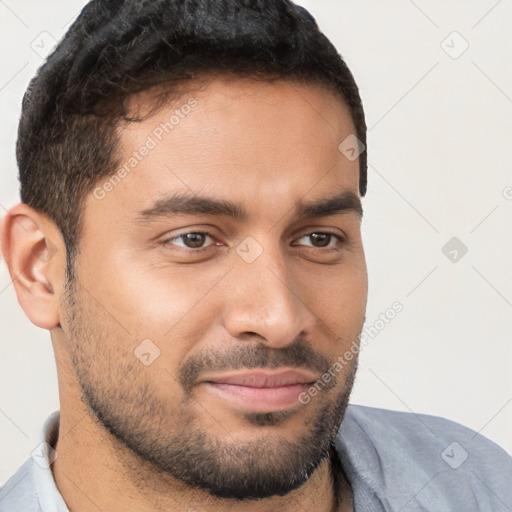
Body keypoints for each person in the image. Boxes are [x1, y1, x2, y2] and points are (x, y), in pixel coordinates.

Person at [0, 1, 510, 511]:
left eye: (318, 239)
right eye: (193, 240)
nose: (278, 318)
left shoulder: (480, 485)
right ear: (39, 269)